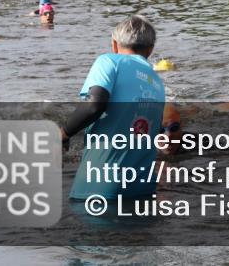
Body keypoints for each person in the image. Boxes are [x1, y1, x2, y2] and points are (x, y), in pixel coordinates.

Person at [63, 15, 166, 202]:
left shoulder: (108, 62)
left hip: (100, 188)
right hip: (143, 189)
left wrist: (63, 133)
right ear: (150, 50)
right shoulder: (157, 83)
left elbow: (94, 105)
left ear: (114, 44)